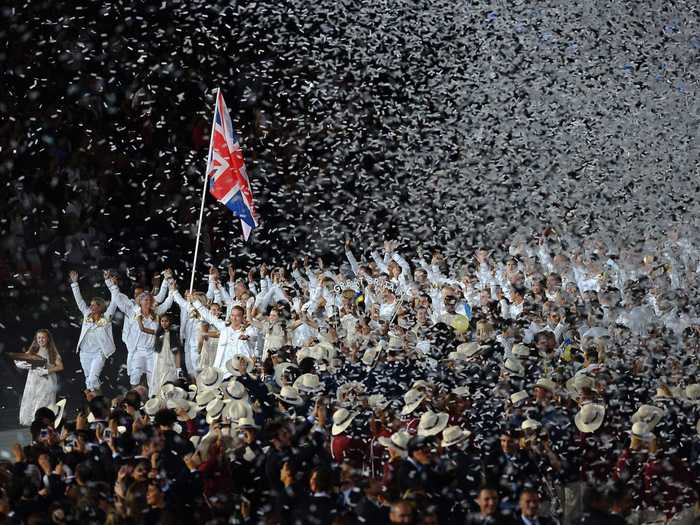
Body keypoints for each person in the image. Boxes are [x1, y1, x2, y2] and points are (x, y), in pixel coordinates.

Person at [69, 270, 119, 392]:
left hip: (98, 354)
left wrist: (111, 284)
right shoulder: (87, 315)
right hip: (84, 353)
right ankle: (95, 405)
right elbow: (80, 302)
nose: (90, 307)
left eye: (94, 305)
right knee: (89, 381)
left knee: (92, 379)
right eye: (90, 304)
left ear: (101, 307)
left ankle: (98, 404)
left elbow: (114, 301)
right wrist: (74, 283)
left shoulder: (106, 318)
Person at [17, 329, 64, 426]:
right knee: (33, 400)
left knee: (43, 402)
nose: (41, 340)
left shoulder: (52, 351)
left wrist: (47, 371)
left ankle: (42, 421)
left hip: (47, 381)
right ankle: (35, 422)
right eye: (39, 337)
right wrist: (21, 364)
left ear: (48, 339)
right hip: (33, 380)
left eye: (43, 337)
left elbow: (60, 366)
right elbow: (21, 360)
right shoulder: (32, 351)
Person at [151, 314, 182, 394]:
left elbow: (177, 353)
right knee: (159, 384)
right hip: (160, 364)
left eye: (166, 321)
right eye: (162, 321)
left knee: (169, 385)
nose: (164, 323)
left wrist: (178, 369)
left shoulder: (174, 334)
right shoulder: (158, 333)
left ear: (170, 322)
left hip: (170, 363)